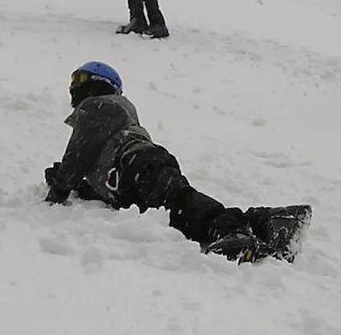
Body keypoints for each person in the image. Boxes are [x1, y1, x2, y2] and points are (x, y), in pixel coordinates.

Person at [43, 61, 310, 262]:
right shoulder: (105, 118)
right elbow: (91, 162)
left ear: (101, 84)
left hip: (139, 163)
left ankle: (235, 233)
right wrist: (79, 184)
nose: (73, 86)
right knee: (180, 214)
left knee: (181, 204)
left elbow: (77, 156)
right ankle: (267, 221)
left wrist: (59, 188)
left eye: (80, 78)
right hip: (138, 168)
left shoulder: (99, 107)